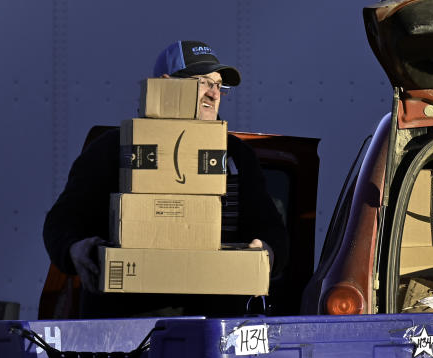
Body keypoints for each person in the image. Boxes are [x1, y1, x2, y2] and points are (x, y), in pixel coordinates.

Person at [43, 40, 289, 318]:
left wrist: (267, 251)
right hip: (126, 327)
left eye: (219, 85)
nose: (214, 94)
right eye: (203, 82)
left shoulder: (237, 156)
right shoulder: (116, 148)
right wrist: (75, 248)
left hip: (212, 329)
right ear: (166, 85)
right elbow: (60, 222)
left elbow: (271, 229)